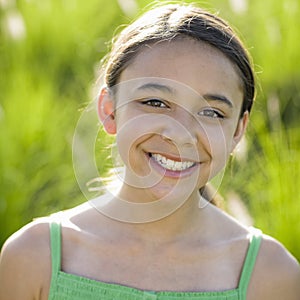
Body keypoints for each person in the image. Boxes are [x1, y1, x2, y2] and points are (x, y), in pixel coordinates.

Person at [0, 3, 299, 300]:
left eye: (211, 112)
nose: (181, 135)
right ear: (109, 109)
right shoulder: (34, 258)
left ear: (238, 131)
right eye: (155, 103)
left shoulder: (272, 275)